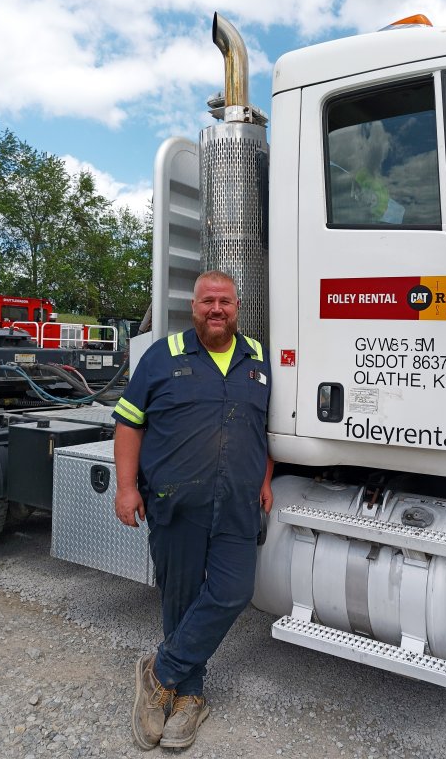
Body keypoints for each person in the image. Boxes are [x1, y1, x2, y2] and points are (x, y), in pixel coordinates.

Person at [112, 270, 273, 751]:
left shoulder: (258, 360)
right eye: (207, 302)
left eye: (224, 301)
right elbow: (128, 424)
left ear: (237, 306)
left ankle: (158, 672)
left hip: (239, 503)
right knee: (180, 601)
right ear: (194, 306)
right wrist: (126, 487)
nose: (216, 309)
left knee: (232, 591)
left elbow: (265, 427)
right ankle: (189, 697)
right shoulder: (163, 356)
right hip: (176, 502)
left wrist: (265, 478)